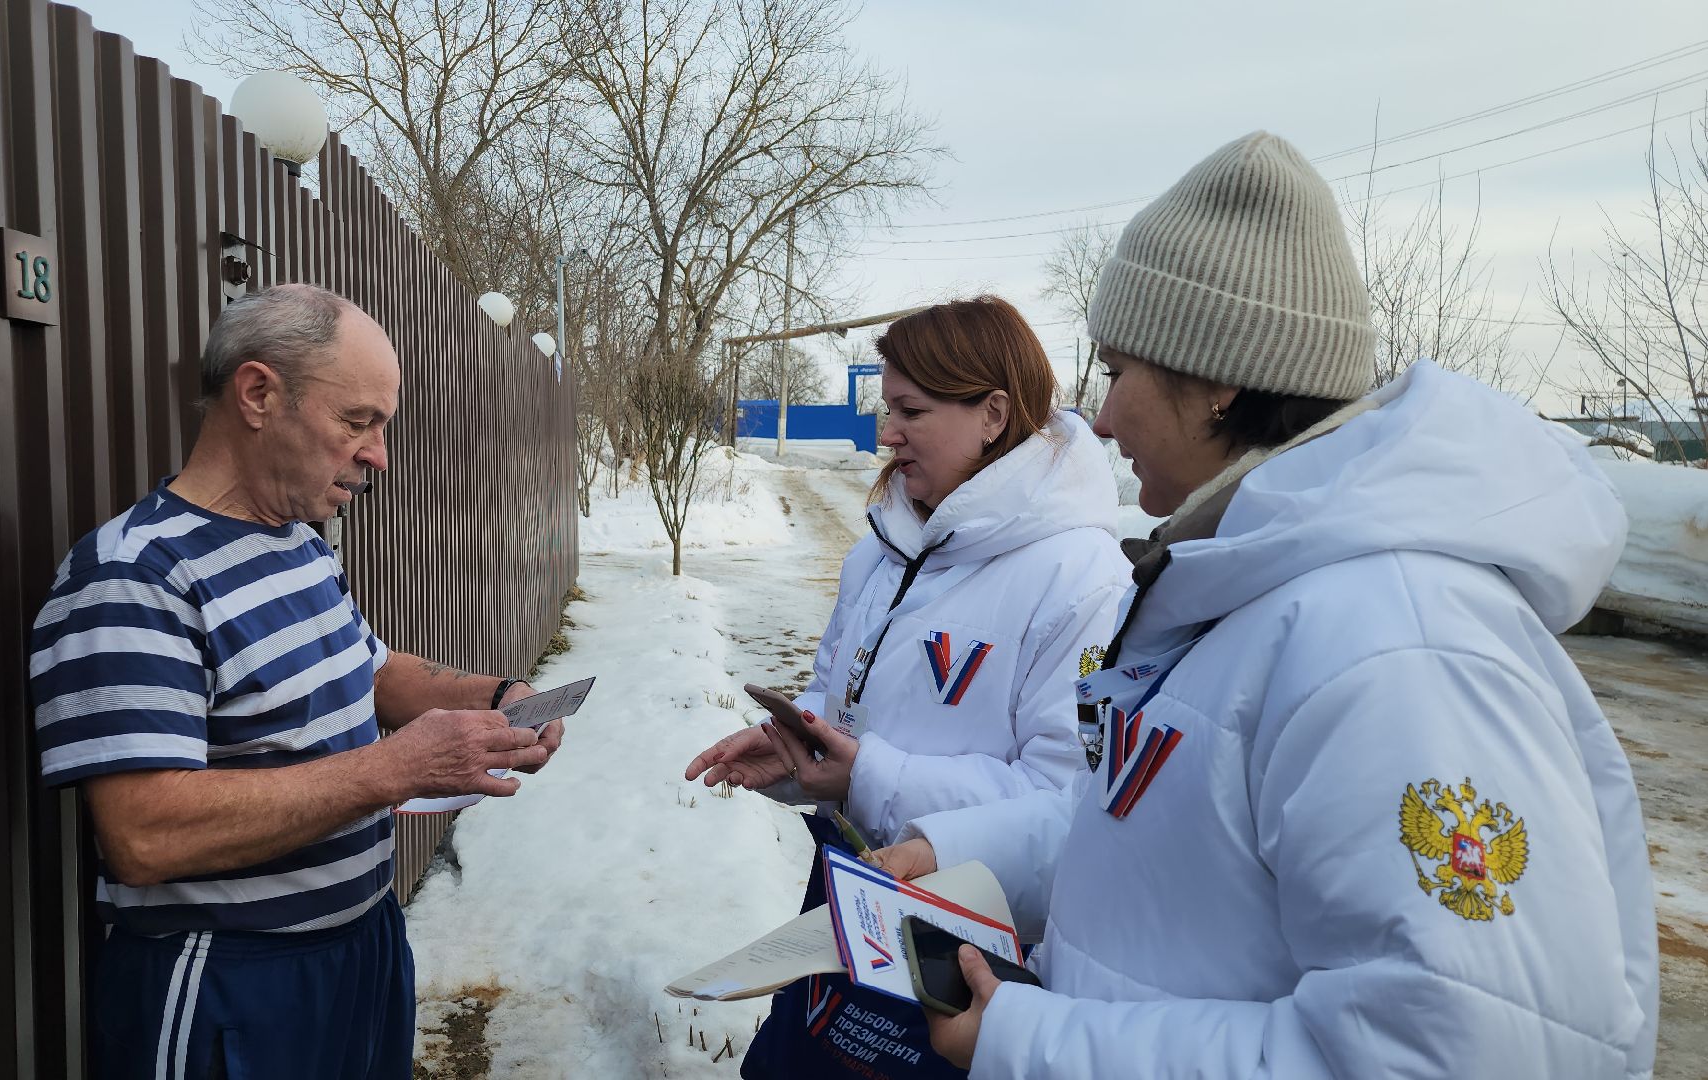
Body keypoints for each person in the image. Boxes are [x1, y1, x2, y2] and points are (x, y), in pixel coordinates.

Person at [872, 132, 1658, 1079]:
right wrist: (955, 848)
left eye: (1118, 372)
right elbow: (1167, 849)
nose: (1103, 418)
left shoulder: (1397, 649)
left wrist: (1031, 1043)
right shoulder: (1252, 592)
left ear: (1219, 381)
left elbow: (1454, 1054)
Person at [29, 284, 563, 1080]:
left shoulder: (297, 544)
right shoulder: (134, 576)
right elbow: (145, 835)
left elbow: (373, 670)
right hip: (229, 982)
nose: (379, 453)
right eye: (358, 422)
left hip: (359, 950)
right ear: (257, 393)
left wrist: (498, 696)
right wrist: (395, 769)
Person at [685, 296, 1131, 1078]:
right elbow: (839, 694)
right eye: (885, 407)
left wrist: (867, 775)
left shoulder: (1082, 579)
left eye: (910, 411)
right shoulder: (884, 548)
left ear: (993, 413)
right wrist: (798, 747)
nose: (886, 433)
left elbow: (1066, 804)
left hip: (961, 938)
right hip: (846, 892)